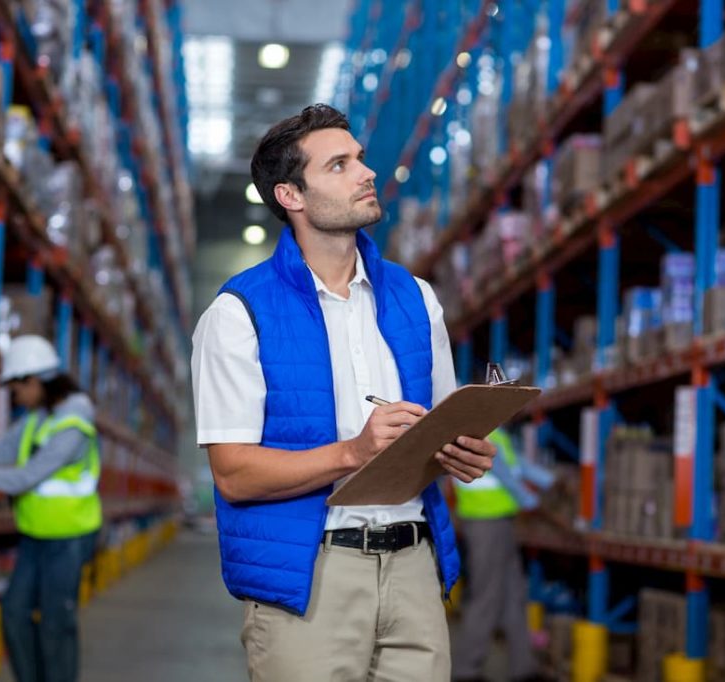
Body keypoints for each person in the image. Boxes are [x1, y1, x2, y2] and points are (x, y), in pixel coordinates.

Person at [191, 103, 498, 682]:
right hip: (310, 577)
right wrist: (353, 453)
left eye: (359, 158)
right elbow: (233, 474)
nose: (366, 172)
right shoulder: (239, 314)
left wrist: (463, 452)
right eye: (339, 165)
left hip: (415, 567)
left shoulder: (416, 299)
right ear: (291, 197)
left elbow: (437, 427)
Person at [0, 334, 101, 682]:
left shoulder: (73, 424)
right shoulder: (40, 417)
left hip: (69, 538)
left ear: (35, 379)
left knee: (56, 624)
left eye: (16, 388)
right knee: (13, 612)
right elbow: (1, 449)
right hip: (35, 534)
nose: (14, 396)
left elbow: (23, 478)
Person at [452, 428, 555, 682]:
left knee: (513, 593)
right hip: (484, 521)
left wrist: (548, 479)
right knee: (487, 595)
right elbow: (505, 475)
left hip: (502, 519)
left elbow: (517, 463)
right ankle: (466, 670)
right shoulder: (477, 430)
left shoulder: (499, 433)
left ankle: (524, 668)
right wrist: (530, 501)